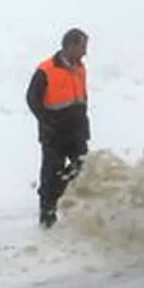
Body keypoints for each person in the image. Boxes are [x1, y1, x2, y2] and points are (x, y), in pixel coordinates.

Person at [26, 27, 90, 227]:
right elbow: (32, 99)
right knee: (50, 174)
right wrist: (48, 122)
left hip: (77, 132)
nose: (85, 52)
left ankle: (67, 201)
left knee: (82, 168)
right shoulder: (46, 69)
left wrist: (84, 126)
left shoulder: (81, 68)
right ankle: (47, 217)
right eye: (82, 47)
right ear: (70, 46)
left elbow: (81, 99)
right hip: (54, 134)